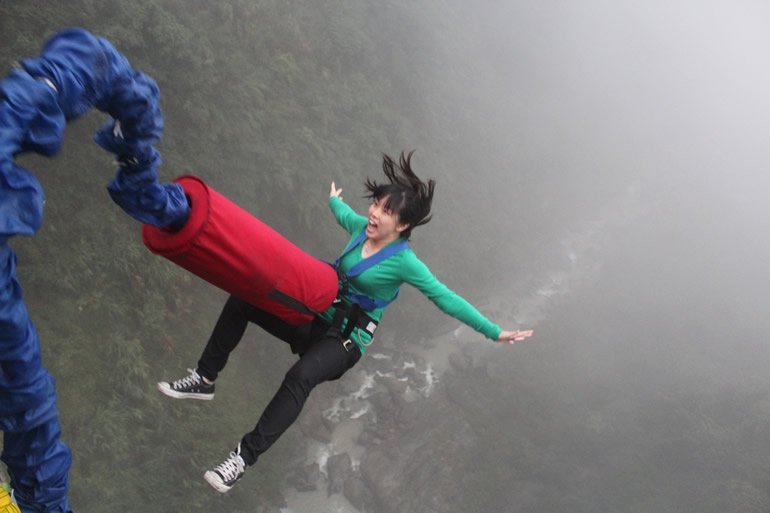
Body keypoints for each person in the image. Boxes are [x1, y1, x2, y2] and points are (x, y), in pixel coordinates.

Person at [157, 151, 534, 493]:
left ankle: (242, 459)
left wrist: (493, 331)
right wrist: (334, 199)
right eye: (376, 204)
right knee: (244, 299)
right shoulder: (360, 229)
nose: (374, 213)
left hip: (346, 342)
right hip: (315, 319)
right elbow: (342, 214)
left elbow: (445, 298)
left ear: (402, 226)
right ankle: (204, 379)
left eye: (385, 211)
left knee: (300, 377)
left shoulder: (405, 262)